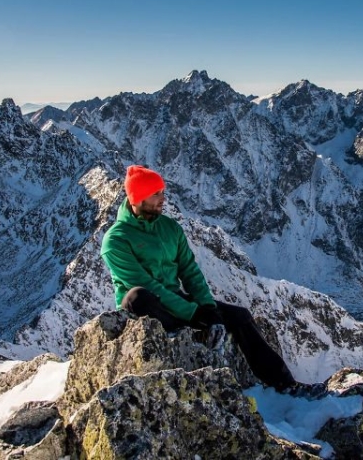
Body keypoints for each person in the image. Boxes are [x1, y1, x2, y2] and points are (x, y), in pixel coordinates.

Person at [100, 164, 304, 392]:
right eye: (155, 193)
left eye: (163, 192)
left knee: (240, 317)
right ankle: (179, 333)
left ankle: (285, 384)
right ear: (138, 197)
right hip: (144, 309)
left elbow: (189, 270)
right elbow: (146, 284)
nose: (163, 199)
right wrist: (194, 313)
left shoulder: (170, 228)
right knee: (139, 296)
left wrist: (208, 309)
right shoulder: (115, 240)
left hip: (176, 300)